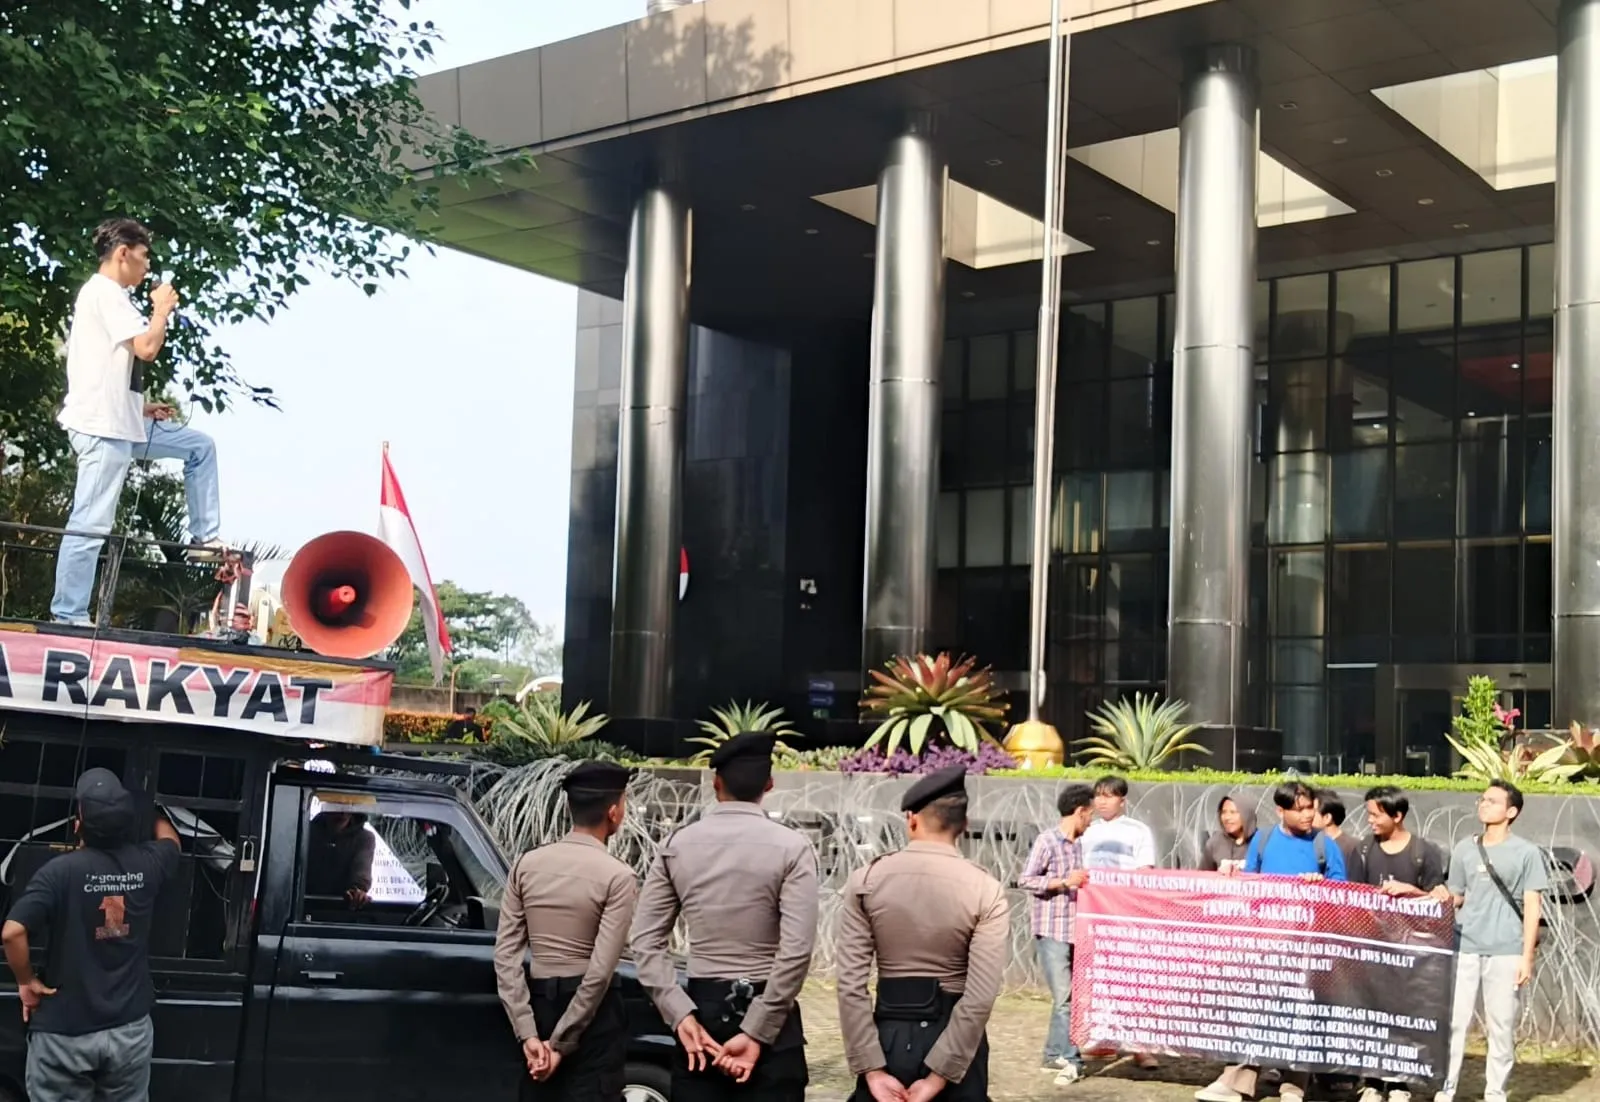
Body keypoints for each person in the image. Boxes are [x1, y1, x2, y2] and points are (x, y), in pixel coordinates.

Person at [51, 218, 224, 626]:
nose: (147, 268)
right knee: (91, 520)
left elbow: (103, 366)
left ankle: (204, 538)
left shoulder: (106, 297)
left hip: (122, 420)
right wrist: (160, 310)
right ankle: (67, 614)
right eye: (144, 257)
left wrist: (140, 405)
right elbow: (147, 347)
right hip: (102, 427)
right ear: (123, 253)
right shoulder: (106, 294)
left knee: (199, 446)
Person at [631, 732, 818, 1102]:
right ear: (769, 785)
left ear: (716, 784)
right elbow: (796, 952)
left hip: (701, 1019)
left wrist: (679, 1014)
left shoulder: (675, 846)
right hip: (773, 1021)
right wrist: (757, 1031)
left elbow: (645, 942)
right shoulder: (793, 848)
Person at [3, 768, 181, 1102]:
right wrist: (153, 811)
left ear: (77, 825)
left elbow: (12, 933)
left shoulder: (59, 872)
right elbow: (171, 840)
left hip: (64, 1032)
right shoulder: (149, 864)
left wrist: (26, 983)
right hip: (128, 1029)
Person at [835, 766, 1009, 1102]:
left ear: (911, 820)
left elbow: (850, 985)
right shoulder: (986, 889)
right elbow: (980, 995)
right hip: (955, 1039)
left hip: (887, 1037)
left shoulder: (866, 881)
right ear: (964, 825)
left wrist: (871, 1068)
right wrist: (939, 1076)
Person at [495, 760, 638, 1100]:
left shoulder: (526, 865)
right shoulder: (618, 877)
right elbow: (600, 972)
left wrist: (529, 1035)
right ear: (614, 812)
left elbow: (506, 958)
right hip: (592, 1020)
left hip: (539, 1008)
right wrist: (561, 1043)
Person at [1196, 781, 1348, 1102]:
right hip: (1267, 944)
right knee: (1257, 1012)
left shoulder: (1325, 844)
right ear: (1281, 810)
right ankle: (1237, 1082)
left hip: (1307, 948)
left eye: (1311, 808)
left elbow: (1343, 892)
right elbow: (1252, 886)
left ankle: (1293, 1087)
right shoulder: (1263, 841)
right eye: (1301, 808)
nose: (1309, 815)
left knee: (1300, 1016)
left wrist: (1321, 885)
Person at [1436, 780, 1547, 1102]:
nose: (1483, 805)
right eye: (1482, 799)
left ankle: (1495, 1093)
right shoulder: (1464, 848)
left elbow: (1532, 906)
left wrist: (1526, 957)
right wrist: (1429, 897)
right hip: (1464, 946)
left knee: (1501, 1027)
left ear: (1511, 811)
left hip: (1507, 951)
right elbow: (1455, 895)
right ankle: (1446, 1088)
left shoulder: (1526, 853)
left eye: (1493, 801)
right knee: (1455, 1023)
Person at [1353, 785, 1449, 1102]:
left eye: (1376, 815)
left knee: (1403, 1015)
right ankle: (1370, 1081)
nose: (1370, 821)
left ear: (1397, 815)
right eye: (1368, 814)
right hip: (1371, 948)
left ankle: (1399, 1082)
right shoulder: (1363, 850)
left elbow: (1438, 902)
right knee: (1371, 1015)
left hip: (1411, 954)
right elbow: (1351, 896)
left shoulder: (1424, 852)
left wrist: (1412, 892)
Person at [1079, 774, 1160, 1069]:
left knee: (1131, 982)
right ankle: (1105, 1041)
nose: (1102, 801)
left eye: (1109, 795)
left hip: (1126, 917)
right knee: (1099, 982)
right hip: (1094, 916)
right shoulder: (1087, 831)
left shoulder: (1137, 831)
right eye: (1098, 795)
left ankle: (1141, 1047)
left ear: (1122, 800)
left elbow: (1145, 871)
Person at [1017, 784, 1094, 1084]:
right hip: (1052, 931)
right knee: (1066, 999)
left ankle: (1052, 1054)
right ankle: (1073, 1060)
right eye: (1089, 815)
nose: (1091, 821)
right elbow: (1026, 879)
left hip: (1076, 930)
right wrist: (1063, 882)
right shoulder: (1046, 841)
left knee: (1067, 998)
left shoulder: (1079, 845)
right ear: (1080, 811)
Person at [305, 810, 376, 908]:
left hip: (343, 911)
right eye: (336, 805)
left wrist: (357, 891)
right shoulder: (306, 831)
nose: (342, 812)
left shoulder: (364, 838)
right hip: (304, 907)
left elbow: (362, 868)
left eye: (348, 806)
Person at [1314, 790, 1366, 883]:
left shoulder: (1352, 847)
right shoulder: (1311, 843)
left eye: (1312, 812)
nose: (1307, 816)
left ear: (1327, 818)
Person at [1199, 794, 1257, 873]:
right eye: (1223, 812)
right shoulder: (1214, 843)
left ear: (1246, 815)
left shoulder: (1260, 842)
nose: (1227, 818)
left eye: (1233, 812)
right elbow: (1202, 876)